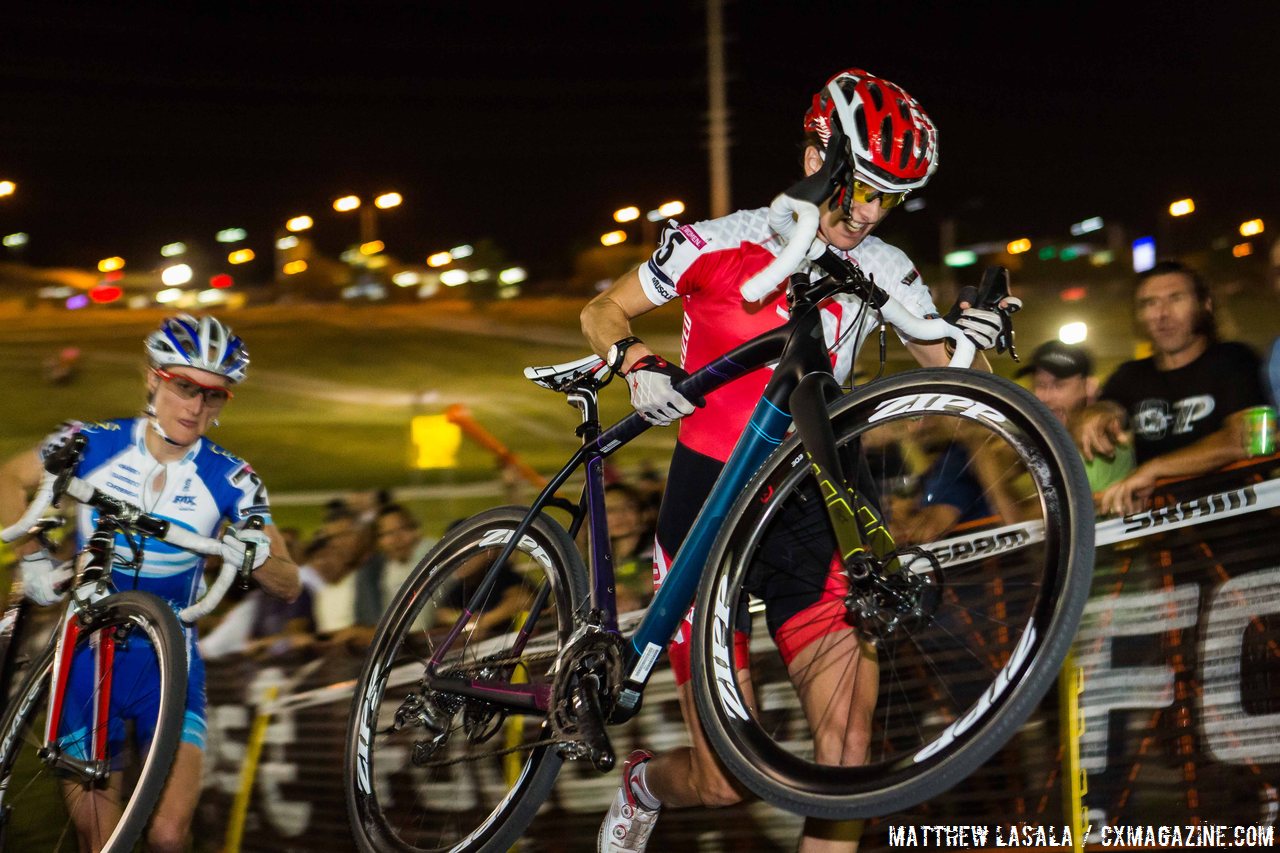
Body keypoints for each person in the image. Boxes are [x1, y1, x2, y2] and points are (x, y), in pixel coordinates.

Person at [580, 68, 1019, 853]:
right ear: (819, 154)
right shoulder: (717, 241)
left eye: (890, 198)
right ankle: (645, 782)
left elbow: (956, 379)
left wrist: (976, 336)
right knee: (724, 781)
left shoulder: (883, 265)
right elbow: (600, 308)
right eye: (863, 188)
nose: (871, 212)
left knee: (847, 755)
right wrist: (638, 361)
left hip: (814, 506)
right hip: (705, 507)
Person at [0, 313, 300, 853]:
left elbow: (289, 582)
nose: (196, 408)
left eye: (214, 397)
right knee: (101, 838)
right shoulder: (93, 442)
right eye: (184, 387)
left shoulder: (234, 478)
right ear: (152, 378)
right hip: (88, 657)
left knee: (167, 833)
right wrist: (33, 556)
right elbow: (7, 478)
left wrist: (253, 553)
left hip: (171, 662)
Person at [1078, 261, 1268, 515]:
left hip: (1246, 530)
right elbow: (1105, 409)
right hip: (1169, 538)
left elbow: (1244, 438)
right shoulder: (1130, 376)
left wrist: (1154, 468)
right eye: (1149, 303)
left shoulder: (1234, 359)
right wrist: (1095, 415)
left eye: (1175, 298)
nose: (1162, 314)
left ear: (1205, 305)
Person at [1017, 340, 1133, 493]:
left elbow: (1068, 509)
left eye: (1059, 385)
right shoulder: (1042, 438)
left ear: (1088, 387)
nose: (1045, 397)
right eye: (1040, 385)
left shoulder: (1100, 432)